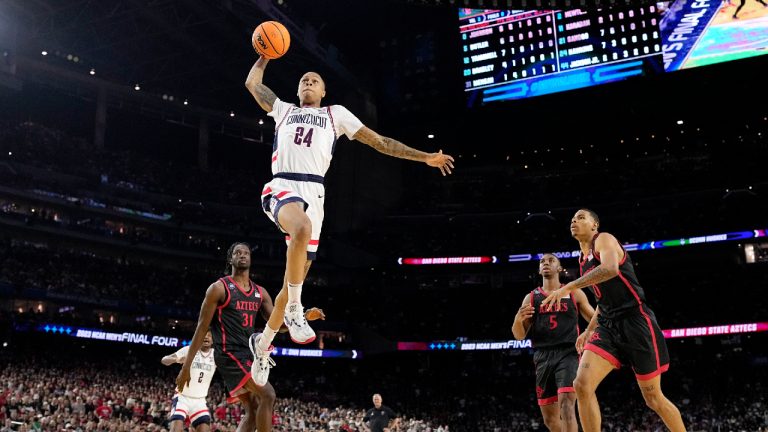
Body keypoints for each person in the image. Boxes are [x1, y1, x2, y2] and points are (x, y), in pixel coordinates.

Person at [244, 56, 455, 354]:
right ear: (297, 89)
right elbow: (252, 83)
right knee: (300, 235)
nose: (308, 82)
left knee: (292, 279)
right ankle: (295, 308)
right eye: (304, 79)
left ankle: (263, 345)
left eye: (314, 80)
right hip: (283, 184)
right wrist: (265, 56)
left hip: (315, 194)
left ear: (323, 92)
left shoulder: (335, 115)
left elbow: (381, 142)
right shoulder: (283, 109)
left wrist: (425, 157)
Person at [541, 209, 686, 432]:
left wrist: (569, 287)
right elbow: (604, 301)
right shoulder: (582, 259)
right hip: (608, 325)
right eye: (572, 219)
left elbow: (609, 269)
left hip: (636, 322)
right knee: (581, 385)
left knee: (653, 399)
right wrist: (590, 328)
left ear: (594, 225)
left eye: (581, 217)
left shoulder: (604, 239)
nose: (574, 221)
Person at [176, 242, 325, 432]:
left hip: (250, 353)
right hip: (229, 353)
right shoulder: (218, 288)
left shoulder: (260, 292)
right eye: (237, 253)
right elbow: (201, 327)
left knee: (254, 410)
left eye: (246, 252)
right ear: (231, 259)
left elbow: (278, 325)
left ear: (251, 259)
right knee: (268, 395)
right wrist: (186, 367)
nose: (242, 255)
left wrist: (303, 317)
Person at [512, 253, 595, 432]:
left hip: (568, 353)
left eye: (551, 261)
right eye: (542, 261)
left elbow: (595, 319)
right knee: (550, 420)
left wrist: (589, 332)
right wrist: (518, 320)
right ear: (539, 269)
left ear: (559, 268)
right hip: (542, 356)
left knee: (566, 406)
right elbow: (519, 336)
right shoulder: (532, 297)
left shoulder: (573, 292)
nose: (546, 263)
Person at [161, 330, 216, 432]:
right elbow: (164, 360)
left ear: (213, 340)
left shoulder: (216, 355)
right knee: (175, 429)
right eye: (204, 335)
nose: (206, 337)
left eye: (209, 336)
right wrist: (175, 359)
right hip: (183, 398)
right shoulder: (189, 350)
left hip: (200, 401)